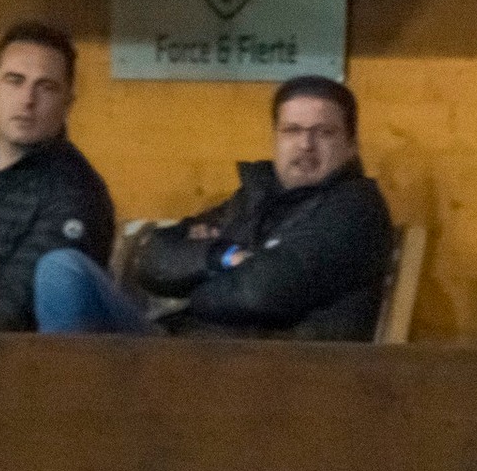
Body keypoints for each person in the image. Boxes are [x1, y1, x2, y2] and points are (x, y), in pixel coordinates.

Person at [39, 76, 393, 340]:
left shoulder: (354, 210)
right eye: (291, 130)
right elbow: (153, 257)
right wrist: (222, 258)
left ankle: (67, 417)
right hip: (189, 359)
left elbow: (260, 293)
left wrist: (196, 286)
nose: (305, 145)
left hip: (266, 381)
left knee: (62, 273)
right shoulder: (254, 198)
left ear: (351, 146)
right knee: (61, 272)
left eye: (324, 133)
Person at [0, 21, 116, 332]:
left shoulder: (76, 191)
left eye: (46, 87)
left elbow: (13, 311)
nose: (27, 100)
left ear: (68, 103)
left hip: (28, 364)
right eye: (15, 81)